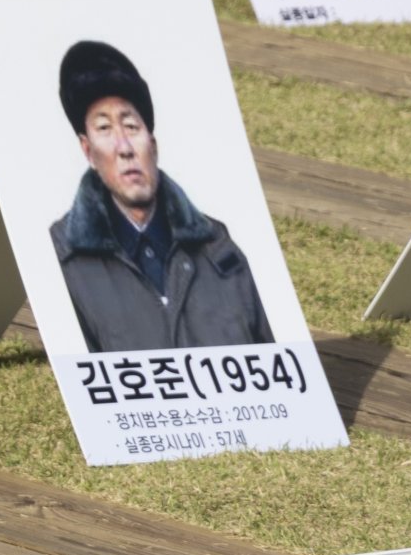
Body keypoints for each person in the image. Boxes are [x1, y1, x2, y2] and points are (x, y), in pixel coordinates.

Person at [45, 40, 278, 352]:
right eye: (104, 129)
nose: (124, 147)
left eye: (131, 126)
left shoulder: (218, 248)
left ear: (152, 144)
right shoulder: (64, 259)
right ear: (87, 150)